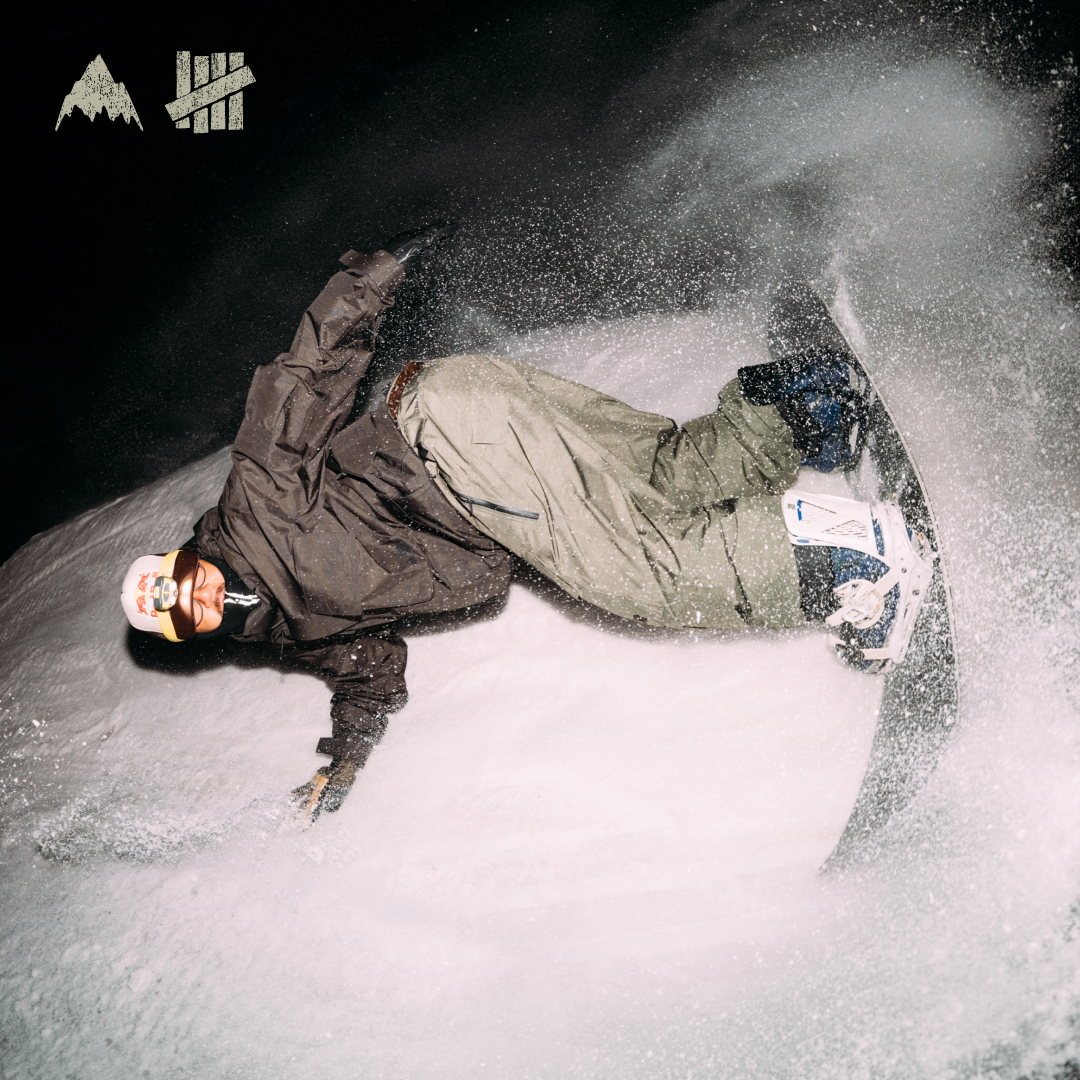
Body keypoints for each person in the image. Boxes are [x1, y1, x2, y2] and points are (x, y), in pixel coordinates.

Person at [121, 224, 933, 821]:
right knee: (658, 478)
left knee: (640, 573)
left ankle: (851, 563)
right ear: (191, 633)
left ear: (183, 560)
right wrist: (345, 759)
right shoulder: (288, 628)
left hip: (455, 452)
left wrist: (373, 276)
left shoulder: (254, 511)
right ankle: (799, 406)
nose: (199, 597)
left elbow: (300, 382)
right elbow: (367, 668)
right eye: (184, 613)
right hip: (466, 415)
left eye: (182, 582)